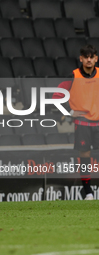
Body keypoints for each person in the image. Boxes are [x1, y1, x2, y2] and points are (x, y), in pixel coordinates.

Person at [53, 44, 99, 200]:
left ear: (96, 59)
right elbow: (56, 97)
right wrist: (70, 112)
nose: (88, 60)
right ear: (81, 58)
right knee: (85, 156)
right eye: (85, 57)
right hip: (83, 123)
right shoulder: (73, 76)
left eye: (91, 57)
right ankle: (88, 192)